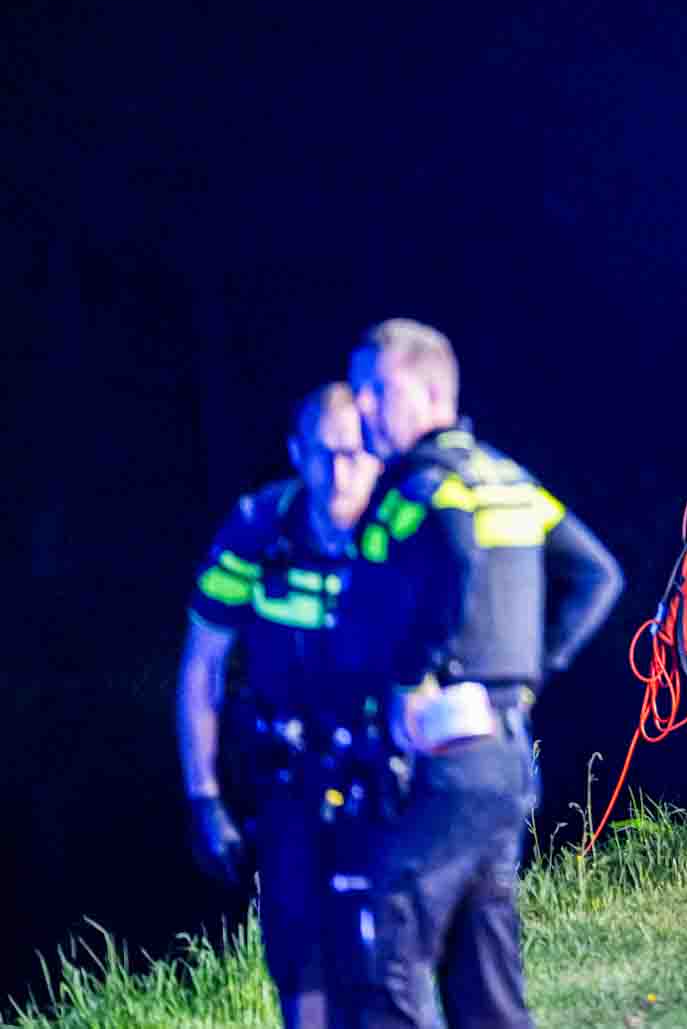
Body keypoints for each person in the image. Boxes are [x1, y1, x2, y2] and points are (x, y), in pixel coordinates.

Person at [338, 318, 623, 1029]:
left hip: (445, 752)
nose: (362, 405)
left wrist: (413, 675)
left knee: (387, 943)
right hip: (503, 753)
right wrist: (532, 675)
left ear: (430, 391)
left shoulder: (426, 483)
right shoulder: (507, 476)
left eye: (377, 389)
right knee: (483, 971)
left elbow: (457, 555)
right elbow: (598, 576)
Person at [177, 382, 382, 1029]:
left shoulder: (404, 524)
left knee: (390, 960)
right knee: (297, 952)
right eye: (323, 453)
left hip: (388, 773)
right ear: (296, 453)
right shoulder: (258, 526)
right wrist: (204, 798)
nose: (339, 473)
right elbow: (203, 665)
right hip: (288, 776)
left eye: (354, 454)